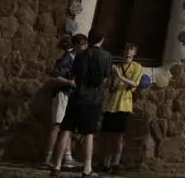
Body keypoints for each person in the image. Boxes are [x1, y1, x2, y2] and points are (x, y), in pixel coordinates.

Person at [49, 31, 113, 178]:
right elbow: (104, 80)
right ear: (102, 39)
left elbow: (74, 75)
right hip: (92, 99)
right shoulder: (106, 56)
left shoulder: (80, 55)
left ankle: (57, 166)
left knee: (65, 130)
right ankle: (87, 169)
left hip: (76, 96)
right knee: (88, 134)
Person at [99, 42, 144, 173]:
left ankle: (116, 163)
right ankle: (106, 163)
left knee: (119, 136)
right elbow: (109, 85)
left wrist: (119, 76)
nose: (128, 52)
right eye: (126, 49)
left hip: (124, 105)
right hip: (111, 104)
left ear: (134, 53)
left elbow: (134, 84)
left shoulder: (137, 67)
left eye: (131, 50)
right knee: (107, 135)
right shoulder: (116, 66)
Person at [43, 34, 85, 169]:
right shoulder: (67, 58)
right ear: (77, 45)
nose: (85, 48)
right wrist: (69, 82)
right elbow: (55, 76)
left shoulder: (77, 59)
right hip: (62, 94)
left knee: (67, 127)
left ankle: (67, 157)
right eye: (83, 45)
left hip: (70, 95)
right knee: (57, 126)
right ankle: (47, 158)